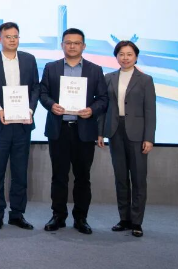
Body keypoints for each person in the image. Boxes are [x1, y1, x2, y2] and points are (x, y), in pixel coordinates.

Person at [40, 28, 108, 234]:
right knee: (59, 176)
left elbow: (103, 99)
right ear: (62, 45)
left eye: (76, 43)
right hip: (59, 129)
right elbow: (42, 93)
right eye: (68, 42)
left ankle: (81, 218)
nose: (72, 46)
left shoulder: (95, 70)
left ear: (83, 46)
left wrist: (92, 110)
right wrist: (51, 105)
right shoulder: (51, 68)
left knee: (82, 177)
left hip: (84, 130)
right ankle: (58, 216)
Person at [0, 22, 39, 230]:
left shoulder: (29, 59)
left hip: (23, 125)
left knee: (20, 173)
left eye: (15, 36)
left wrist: (30, 110)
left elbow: (36, 88)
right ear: (0, 39)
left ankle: (17, 214)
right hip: (0, 125)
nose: (12, 40)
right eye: (8, 37)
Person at [98, 40, 156, 238]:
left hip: (138, 134)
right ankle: (124, 219)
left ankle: (137, 222)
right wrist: (100, 132)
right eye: (121, 54)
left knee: (138, 179)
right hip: (115, 131)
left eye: (129, 54)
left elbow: (150, 110)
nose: (125, 58)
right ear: (116, 57)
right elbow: (103, 108)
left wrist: (149, 138)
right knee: (121, 178)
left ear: (136, 57)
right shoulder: (108, 78)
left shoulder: (145, 80)